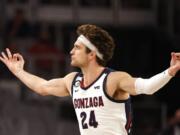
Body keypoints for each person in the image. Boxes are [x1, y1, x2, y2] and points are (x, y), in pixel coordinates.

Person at [0, 24, 180, 135]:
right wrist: (18, 72)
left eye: (77, 48)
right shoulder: (73, 81)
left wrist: (169, 72)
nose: (71, 51)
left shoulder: (113, 79)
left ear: (92, 54)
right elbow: (43, 87)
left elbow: (147, 87)